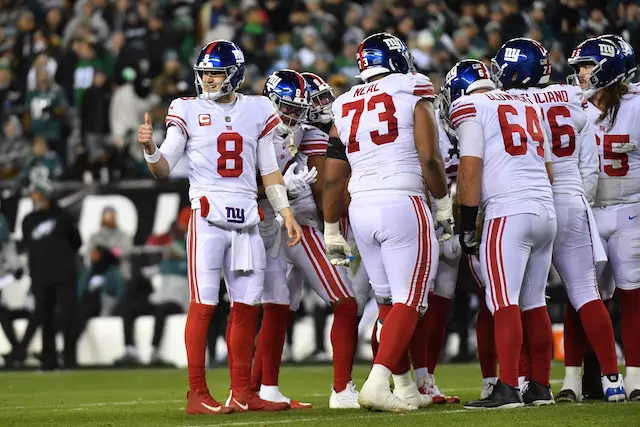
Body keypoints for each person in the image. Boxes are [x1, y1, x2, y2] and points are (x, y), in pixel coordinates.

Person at [137, 40, 302, 415]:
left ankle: (242, 391)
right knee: (205, 305)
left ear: (235, 74)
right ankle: (197, 394)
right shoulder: (187, 109)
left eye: (215, 72)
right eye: (205, 73)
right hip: (208, 217)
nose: (208, 80)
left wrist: (286, 211)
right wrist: (149, 150)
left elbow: (269, 169)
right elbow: (164, 168)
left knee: (247, 306)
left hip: (247, 218)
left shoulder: (258, 109)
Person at [323, 32, 453, 412]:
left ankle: (405, 387)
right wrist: (443, 203)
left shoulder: (344, 103)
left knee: (387, 303)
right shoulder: (413, 87)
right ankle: (378, 382)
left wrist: (332, 227)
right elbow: (429, 157)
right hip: (402, 198)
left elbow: (333, 176)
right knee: (412, 300)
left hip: (361, 205)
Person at [493, 37, 626, 403]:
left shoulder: (510, 102)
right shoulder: (570, 98)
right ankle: (614, 382)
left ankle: (524, 380)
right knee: (586, 293)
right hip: (571, 197)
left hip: (528, 197)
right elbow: (589, 162)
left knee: (522, 298)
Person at [441, 58, 557, 409]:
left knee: (502, 300)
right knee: (535, 301)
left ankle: (507, 387)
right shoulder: (529, 103)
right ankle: (540, 386)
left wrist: (468, 226)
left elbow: (470, 171)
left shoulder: (469, 105)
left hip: (508, 211)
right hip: (545, 208)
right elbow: (548, 170)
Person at [251, 69, 360, 409]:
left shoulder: (296, 129)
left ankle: (258, 388)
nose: (297, 113)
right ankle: (341, 389)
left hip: (284, 220)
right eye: (315, 101)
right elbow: (322, 188)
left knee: (278, 308)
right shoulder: (299, 133)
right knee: (344, 302)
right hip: (299, 223)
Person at [568, 37, 640, 402]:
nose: (581, 73)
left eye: (588, 66)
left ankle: (635, 378)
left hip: (630, 209)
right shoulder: (572, 105)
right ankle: (574, 380)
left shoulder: (636, 106)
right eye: (580, 66)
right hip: (587, 212)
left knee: (632, 295)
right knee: (579, 295)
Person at [21, 180, 81, 370]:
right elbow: (29, 247)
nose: (33, 198)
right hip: (41, 276)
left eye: (36, 194)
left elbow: (77, 242)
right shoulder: (28, 220)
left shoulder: (64, 217)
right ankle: (49, 359)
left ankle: (70, 358)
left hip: (64, 274)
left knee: (67, 317)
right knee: (45, 318)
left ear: (45, 195)